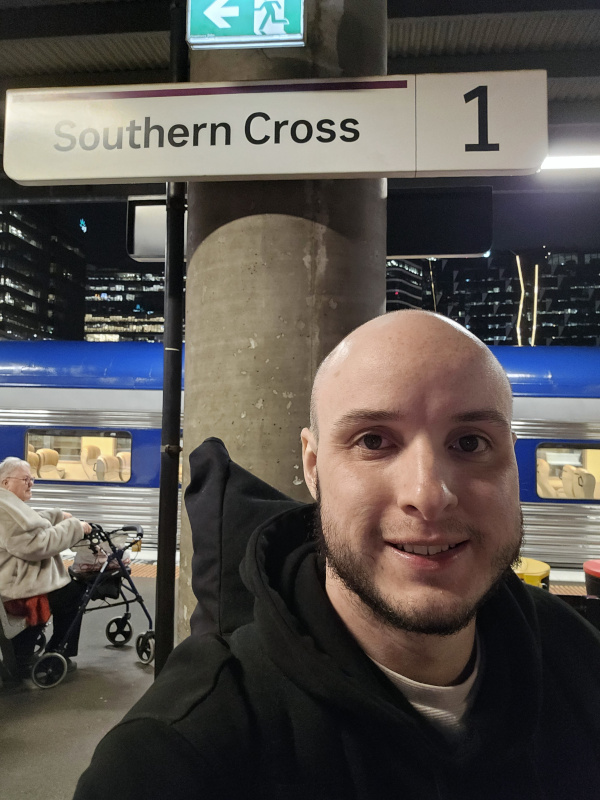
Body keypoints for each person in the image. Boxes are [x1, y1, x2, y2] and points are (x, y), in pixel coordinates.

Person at [74, 310, 600, 799]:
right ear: (313, 466)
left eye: (470, 443)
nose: (428, 494)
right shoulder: (173, 756)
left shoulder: (578, 656)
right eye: (373, 441)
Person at [0, 456, 92, 677]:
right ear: (5, 482)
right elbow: (35, 545)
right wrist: (75, 527)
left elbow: (30, 523)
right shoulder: (4, 510)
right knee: (74, 594)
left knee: (68, 591)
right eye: (25, 479)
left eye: (31, 479)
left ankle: (26, 653)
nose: (31, 483)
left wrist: (58, 516)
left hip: (12, 581)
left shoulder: (7, 504)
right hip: (17, 589)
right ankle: (56, 653)